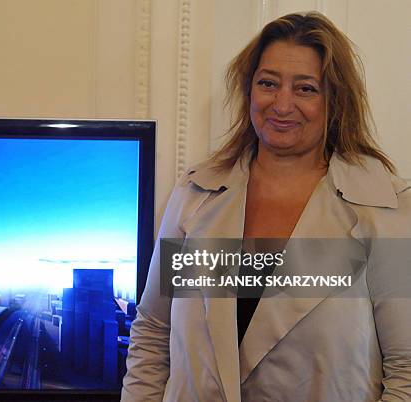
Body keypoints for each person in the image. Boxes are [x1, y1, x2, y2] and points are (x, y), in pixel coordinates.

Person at [121, 11, 411, 402]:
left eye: (306, 88)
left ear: (336, 101)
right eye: (268, 83)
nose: (282, 104)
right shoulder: (196, 194)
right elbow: (154, 333)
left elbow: (406, 370)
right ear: (248, 91)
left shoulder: (384, 210)